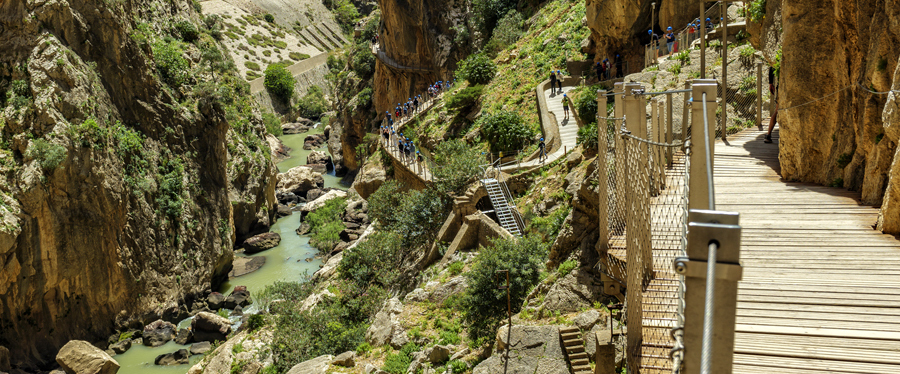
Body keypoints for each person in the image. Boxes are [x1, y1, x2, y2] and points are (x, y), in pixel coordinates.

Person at [764, 66, 778, 143]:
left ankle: (768, 135)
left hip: (781, 87)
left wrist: (770, 83)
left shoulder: (777, 58)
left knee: (777, 110)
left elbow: (772, 67)